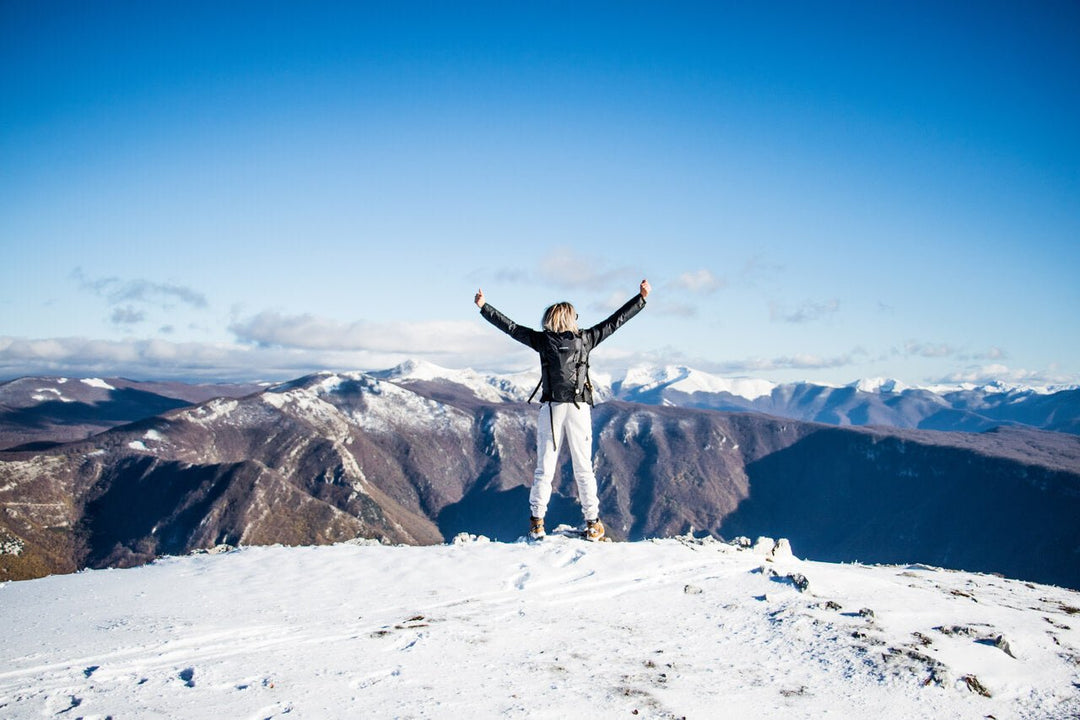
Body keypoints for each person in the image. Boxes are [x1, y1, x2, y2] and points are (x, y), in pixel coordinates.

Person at [474, 279, 651, 541]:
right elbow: (615, 321)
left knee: (544, 468)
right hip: (578, 408)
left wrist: (484, 307)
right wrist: (641, 299)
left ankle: (537, 523)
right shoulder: (586, 339)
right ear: (571, 318)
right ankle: (593, 524)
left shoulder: (543, 341)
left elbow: (510, 328)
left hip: (551, 408)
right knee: (583, 468)